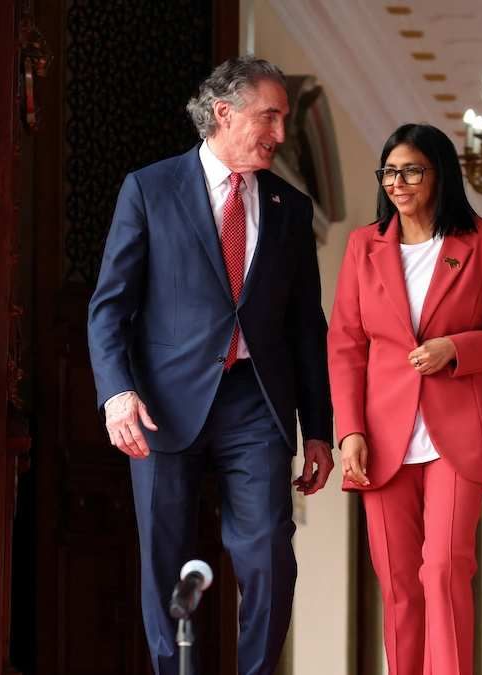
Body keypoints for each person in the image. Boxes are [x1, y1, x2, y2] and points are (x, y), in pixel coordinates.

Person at [87, 55, 334, 675]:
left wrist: (321, 428)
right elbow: (110, 305)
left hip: (257, 401)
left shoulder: (290, 207)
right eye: (269, 116)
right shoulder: (149, 188)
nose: (280, 133)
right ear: (223, 113)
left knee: (269, 553)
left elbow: (308, 327)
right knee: (164, 558)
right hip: (163, 405)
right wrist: (117, 393)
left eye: (282, 118)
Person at [327, 123, 482, 675]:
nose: (398, 182)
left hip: (457, 436)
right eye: (390, 172)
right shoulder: (362, 246)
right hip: (381, 437)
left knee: (443, 568)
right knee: (397, 583)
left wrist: (455, 348)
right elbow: (345, 344)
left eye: (412, 170)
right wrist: (349, 431)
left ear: (441, 173)